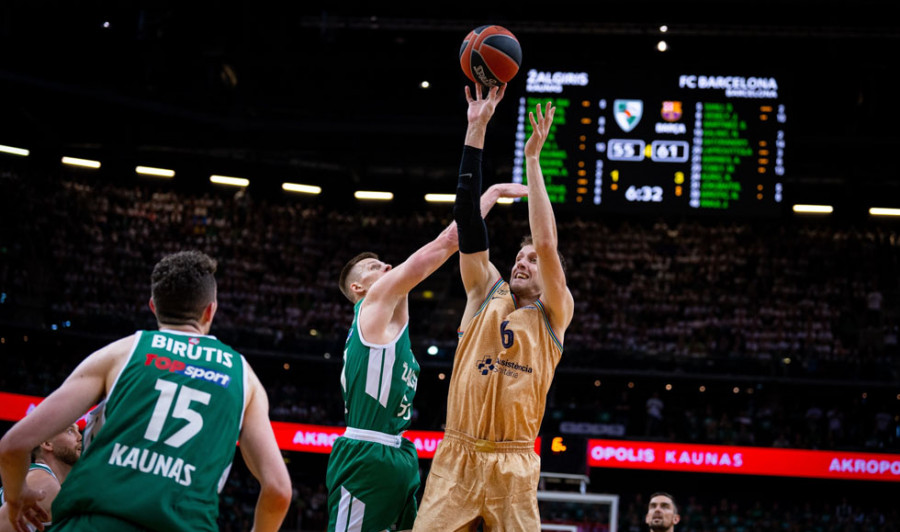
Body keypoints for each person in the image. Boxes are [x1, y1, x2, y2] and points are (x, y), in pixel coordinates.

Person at [0, 250, 292, 532]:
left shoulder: (122, 353)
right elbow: (278, 490)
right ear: (210, 310)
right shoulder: (244, 377)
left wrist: (16, 497)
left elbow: (12, 446)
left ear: (153, 305)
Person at [413, 85, 574, 530]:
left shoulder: (556, 313)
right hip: (457, 458)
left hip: (515, 464)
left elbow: (545, 241)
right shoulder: (485, 290)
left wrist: (534, 162)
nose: (523, 261)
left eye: (533, 261)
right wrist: (476, 129)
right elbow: (467, 218)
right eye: (519, 257)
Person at [329, 181, 526, 532]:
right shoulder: (371, 305)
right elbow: (447, 242)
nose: (386, 265)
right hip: (366, 453)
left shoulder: (393, 325)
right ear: (359, 289)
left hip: (399, 453)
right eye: (374, 267)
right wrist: (492, 193)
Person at [0, 424, 82, 532]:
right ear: (47, 443)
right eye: (70, 431)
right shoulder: (44, 482)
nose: (80, 437)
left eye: (78, 431)